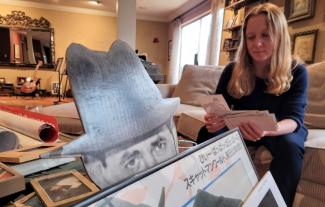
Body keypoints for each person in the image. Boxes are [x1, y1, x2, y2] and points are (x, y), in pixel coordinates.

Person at [197, 3, 308, 206]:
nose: (257, 43)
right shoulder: (232, 70)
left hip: (279, 130)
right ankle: (204, 196)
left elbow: (294, 120)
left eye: (266, 35)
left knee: (290, 148)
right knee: (206, 133)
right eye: (251, 37)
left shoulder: (297, 71)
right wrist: (214, 120)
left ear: (280, 36)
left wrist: (265, 132)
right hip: (242, 128)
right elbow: (218, 108)